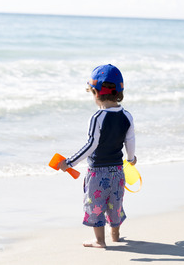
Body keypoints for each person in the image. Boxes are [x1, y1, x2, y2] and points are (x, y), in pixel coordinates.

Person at [59, 64, 136, 248]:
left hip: (97, 174)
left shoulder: (97, 117)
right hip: (118, 171)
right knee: (115, 204)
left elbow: (91, 146)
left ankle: (100, 241)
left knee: (96, 205)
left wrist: (69, 162)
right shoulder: (127, 115)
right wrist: (131, 159)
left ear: (95, 92)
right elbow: (130, 140)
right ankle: (115, 236)